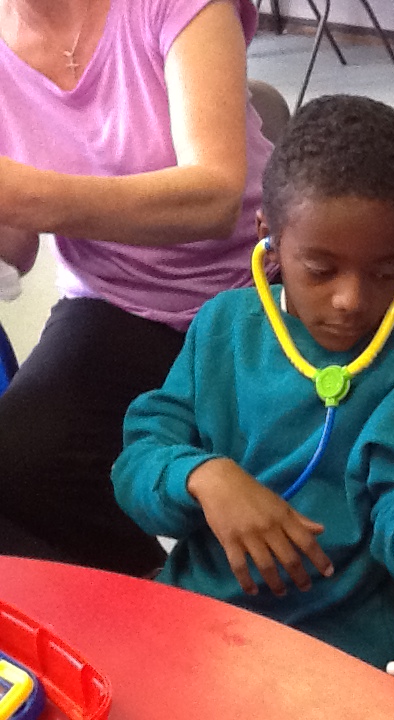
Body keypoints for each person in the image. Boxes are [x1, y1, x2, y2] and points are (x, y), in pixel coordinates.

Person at [111, 94, 394, 668]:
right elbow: (138, 465)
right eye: (321, 270)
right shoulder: (222, 328)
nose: (351, 300)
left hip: (334, 647)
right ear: (269, 237)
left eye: (386, 272)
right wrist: (203, 476)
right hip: (196, 617)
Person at [0, 0, 274, 576]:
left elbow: (214, 198)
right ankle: (161, 602)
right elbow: (15, 249)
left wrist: (19, 194)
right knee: (14, 470)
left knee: (315, 486)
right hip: (113, 299)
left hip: (257, 285)